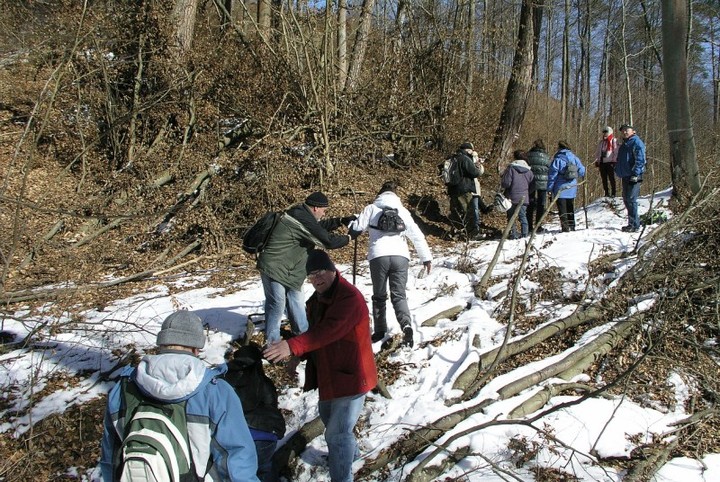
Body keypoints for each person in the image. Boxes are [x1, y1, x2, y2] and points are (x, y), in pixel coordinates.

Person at [100, 310, 259, 482]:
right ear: (195, 349)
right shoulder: (215, 391)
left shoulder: (122, 389)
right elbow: (237, 457)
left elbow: (110, 457)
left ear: (161, 344)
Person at [263, 250, 378, 482]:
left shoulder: (349, 299)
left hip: (353, 376)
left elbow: (328, 331)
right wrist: (299, 356)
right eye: (312, 275)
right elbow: (315, 334)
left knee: (337, 433)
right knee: (329, 421)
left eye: (321, 272)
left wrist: (292, 346)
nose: (317, 278)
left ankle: (342, 476)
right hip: (329, 376)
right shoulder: (315, 301)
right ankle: (351, 456)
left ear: (333, 270)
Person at [257, 191, 355, 344]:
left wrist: (340, 221)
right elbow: (327, 241)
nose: (324, 213)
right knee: (277, 303)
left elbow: (318, 227)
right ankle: (272, 344)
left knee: (296, 302)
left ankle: (303, 339)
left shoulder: (301, 214)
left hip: (291, 272)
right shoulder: (299, 218)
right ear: (316, 208)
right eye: (324, 210)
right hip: (274, 267)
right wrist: (350, 237)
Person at [348, 181, 432, 348]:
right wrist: (426, 258)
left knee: (379, 295)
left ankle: (380, 330)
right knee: (399, 295)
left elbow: (355, 229)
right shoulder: (403, 211)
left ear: (380, 194)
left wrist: (352, 222)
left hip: (378, 256)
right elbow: (417, 235)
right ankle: (406, 326)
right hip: (401, 256)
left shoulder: (371, 208)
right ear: (395, 195)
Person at [224, 343, 286, 482]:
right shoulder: (265, 382)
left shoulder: (224, 380)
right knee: (264, 469)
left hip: (235, 436)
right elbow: (272, 407)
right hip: (265, 436)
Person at [445, 142, 484, 239]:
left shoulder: (453, 157)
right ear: (468, 149)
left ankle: (456, 232)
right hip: (464, 189)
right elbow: (474, 172)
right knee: (468, 212)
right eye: (471, 150)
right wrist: (477, 165)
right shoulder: (465, 159)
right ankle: (472, 234)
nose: (472, 152)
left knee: (456, 212)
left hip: (452, 189)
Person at [548, 141, 586, 232]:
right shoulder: (574, 158)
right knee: (570, 207)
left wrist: (549, 188)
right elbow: (582, 171)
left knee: (562, 209)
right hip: (572, 186)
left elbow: (552, 175)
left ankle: (565, 228)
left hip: (560, 187)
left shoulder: (557, 159)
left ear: (559, 148)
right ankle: (572, 226)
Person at [615, 124, 647, 232]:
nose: (624, 132)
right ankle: (633, 222)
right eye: (623, 130)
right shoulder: (625, 144)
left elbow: (641, 160)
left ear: (633, 131)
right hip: (625, 175)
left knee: (631, 199)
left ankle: (634, 225)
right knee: (626, 199)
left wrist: (636, 173)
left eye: (626, 130)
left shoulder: (636, 142)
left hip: (634, 175)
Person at [500, 150, 535, 239]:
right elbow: (533, 185)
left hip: (511, 196)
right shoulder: (529, 171)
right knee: (523, 216)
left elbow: (506, 183)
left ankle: (514, 234)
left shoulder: (511, 168)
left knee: (511, 217)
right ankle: (525, 234)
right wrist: (527, 192)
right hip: (524, 197)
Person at [526, 139, 551, 233]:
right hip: (543, 182)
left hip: (530, 182)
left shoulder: (529, 155)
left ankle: (529, 226)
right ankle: (538, 225)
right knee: (541, 204)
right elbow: (549, 168)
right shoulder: (546, 156)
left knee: (530, 203)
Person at [594, 126, 618, 197]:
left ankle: (613, 192)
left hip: (610, 162)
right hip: (602, 162)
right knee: (604, 178)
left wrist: (614, 161)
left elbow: (616, 151)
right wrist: (597, 160)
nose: (604, 134)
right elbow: (598, 152)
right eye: (603, 132)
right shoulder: (601, 142)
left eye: (606, 132)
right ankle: (606, 192)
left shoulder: (613, 141)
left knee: (611, 178)